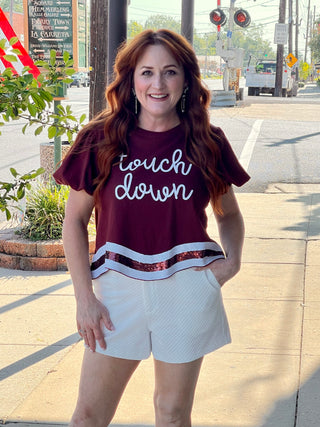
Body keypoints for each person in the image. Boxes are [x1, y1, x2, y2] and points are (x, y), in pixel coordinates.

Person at [53, 28, 250, 427]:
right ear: (130, 79)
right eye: (146, 72)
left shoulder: (207, 142)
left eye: (170, 72)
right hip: (115, 294)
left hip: (187, 287)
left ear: (186, 79)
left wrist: (231, 265)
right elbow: (74, 221)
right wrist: (83, 298)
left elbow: (228, 214)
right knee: (88, 416)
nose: (157, 84)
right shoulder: (99, 139)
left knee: (172, 414)